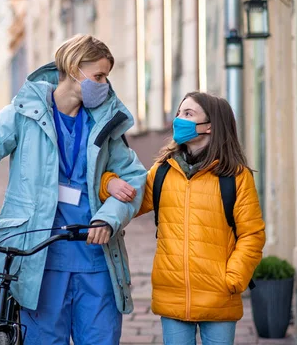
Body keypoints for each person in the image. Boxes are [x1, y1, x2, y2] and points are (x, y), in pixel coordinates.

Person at [0, 34, 147, 345]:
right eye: (98, 76)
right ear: (74, 70)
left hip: (95, 257)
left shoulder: (106, 122)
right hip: (40, 260)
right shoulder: (23, 113)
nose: (104, 84)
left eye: (105, 77)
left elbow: (135, 179)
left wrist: (108, 218)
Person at [99, 92, 266, 345]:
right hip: (172, 294)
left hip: (219, 295)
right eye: (179, 113)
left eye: (188, 114)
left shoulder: (235, 176)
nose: (179, 120)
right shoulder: (164, 171)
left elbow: (252, 234)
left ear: (210, 126)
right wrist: (108, 183)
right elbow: (131, 199)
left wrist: (233, 278)